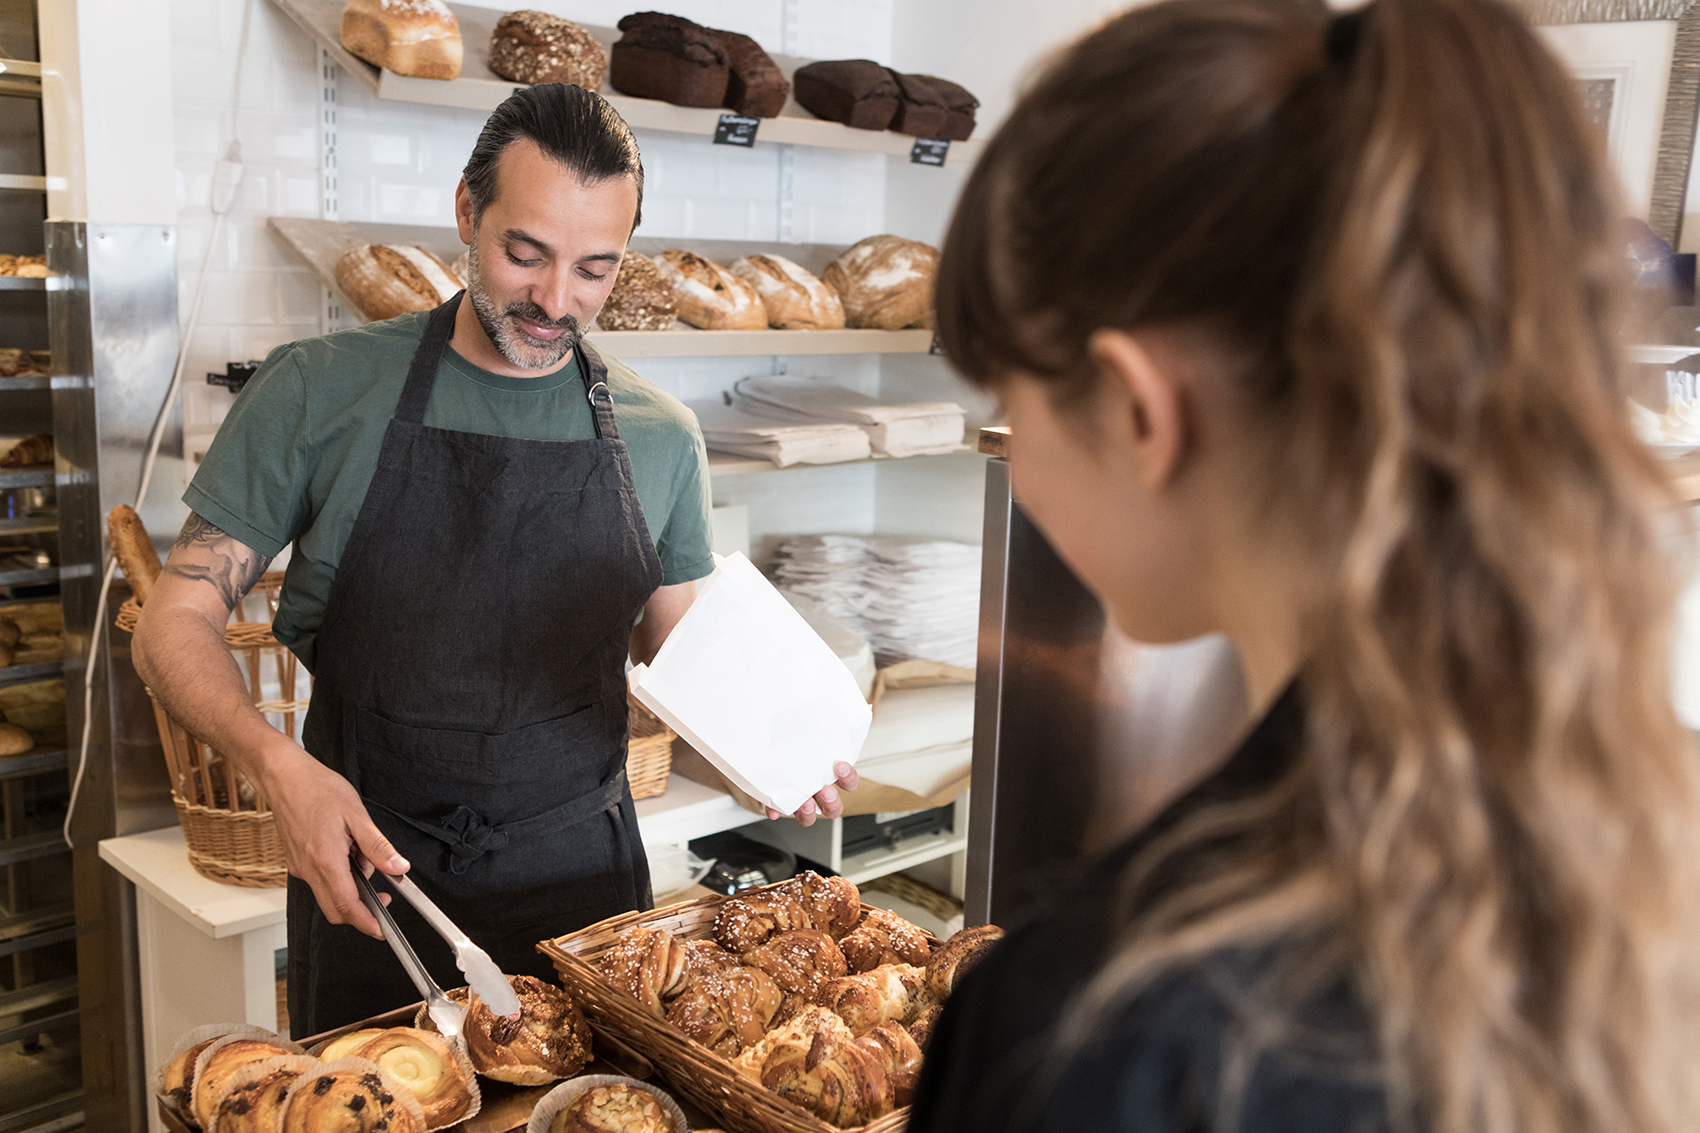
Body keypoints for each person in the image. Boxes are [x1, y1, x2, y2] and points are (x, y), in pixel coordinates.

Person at [908, 1, 1700, 1131]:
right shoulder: (1652, 818)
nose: (1011, 451)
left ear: (1138, 411)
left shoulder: (1101, 1025)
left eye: (1007, 401)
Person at [133, 83, 856, 1035]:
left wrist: (773, 754)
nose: (557, 301)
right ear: (468, 212)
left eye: (595, 270)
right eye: (526, 254)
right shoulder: (318, 391)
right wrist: (277, 767)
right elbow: (172, 619)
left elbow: (683, 667)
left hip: (585, 888)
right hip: (373, 881)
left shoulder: (660, 437)